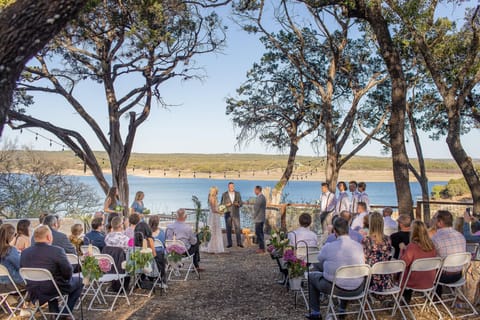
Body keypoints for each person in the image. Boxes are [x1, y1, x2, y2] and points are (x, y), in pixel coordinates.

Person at [306, 218, 365, 320]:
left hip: (336, 288)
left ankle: (315, 313)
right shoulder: (359, 246)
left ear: (335, 231)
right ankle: (342, 310)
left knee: (311, 276)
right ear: (347, 230)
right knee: (347, 275)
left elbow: (318, 260)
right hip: (358, 288)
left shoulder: (329, 247)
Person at [20, 225, 83, 316]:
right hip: (53, 288)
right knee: (79, 281)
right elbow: (68, 272)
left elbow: (22, 270)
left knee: (51, 280)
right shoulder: (57, 251)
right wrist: (66, 278)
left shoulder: (25, 252)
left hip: (33, 289)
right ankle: (65, 313)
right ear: (49, 237)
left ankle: (55, 313)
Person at [399, 220, 437, 303]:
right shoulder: (432, 245)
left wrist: (402, 250)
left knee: (401, 272)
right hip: (429, 280)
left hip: (414, 281)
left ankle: (403, 299)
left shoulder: (412, 246)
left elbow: (403, 264)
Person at [431, 210, 466, 296]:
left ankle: (436, 296)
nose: (433, 220)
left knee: (429, 265)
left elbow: (430, 257)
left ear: (440, 222)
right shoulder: (460, 236)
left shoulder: (436, 238)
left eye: (434, 218)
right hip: (459, 275)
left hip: (443, 277)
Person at [362, 212, 393, 295]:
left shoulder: (367, 240)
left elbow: (364, 258)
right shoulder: (388, 239)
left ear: (371, 224)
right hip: (385, 278)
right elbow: (389, 254)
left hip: (371, 279)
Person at [0, 224, 24, 292]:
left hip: (1, 285)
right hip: (12, 283)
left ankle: (13, 301)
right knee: (35, 284)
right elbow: (20, 266)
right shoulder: (10, 250)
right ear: (11, 236)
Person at [220, 182, 243, 248]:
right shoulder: (224, 194)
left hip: (236, 214)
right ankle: (229, 243)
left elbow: (241, 203)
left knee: (238, 228)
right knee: (228, 229)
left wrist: (238, 204)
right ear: (228, 187)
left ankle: (239, 243)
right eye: (230, 186)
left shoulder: (238, 194)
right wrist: (226, 205)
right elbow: (221, 205)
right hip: (227, 214)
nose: (231, 188)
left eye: (232, 186)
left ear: (234, 187)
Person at [206, 186, 225, 254]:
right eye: (215, 191)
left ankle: (216, 246)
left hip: (216, 215)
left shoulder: (214, 198)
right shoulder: (211, 198)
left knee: (216, 231)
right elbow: (214, 210)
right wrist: (221, 212)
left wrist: (221, 207)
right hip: (214, 216)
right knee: (214, 231)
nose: (216, 192)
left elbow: (216, 207)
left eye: (216, 191)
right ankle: (213, 247)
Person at [253, 185, 267, 253]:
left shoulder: (260, 198)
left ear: (258, 190)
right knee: (260, 233)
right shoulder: (263, 197)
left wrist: (254, 217)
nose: (254, 191)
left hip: (259, 218)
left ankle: (261, 248)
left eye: (255, 190)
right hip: (261, 218)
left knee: (259, 233)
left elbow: (257, 209)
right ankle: (261, 247)